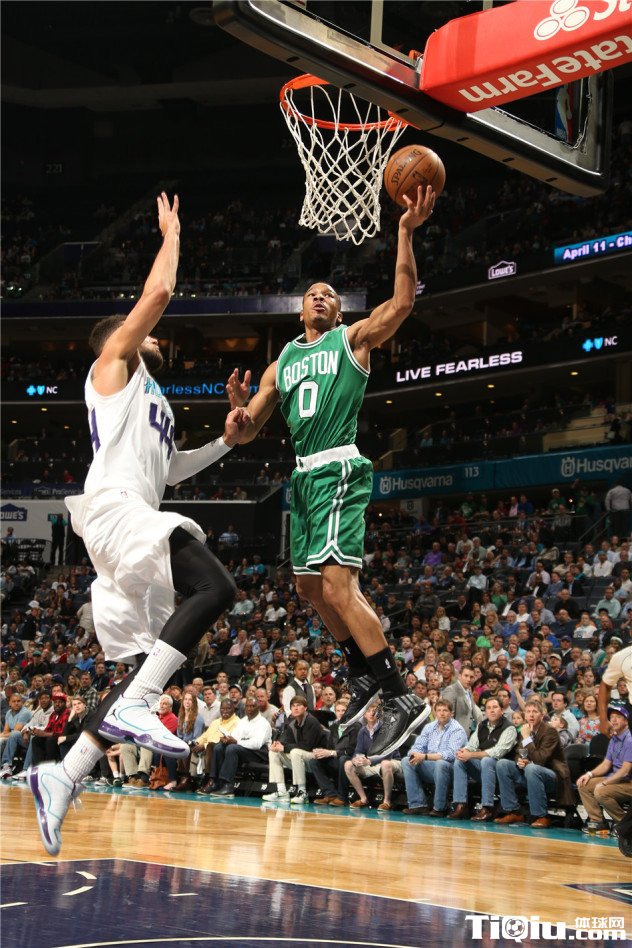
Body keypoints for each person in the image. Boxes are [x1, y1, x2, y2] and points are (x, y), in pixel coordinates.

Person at [28, 194, 245, 856]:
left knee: (149, 671)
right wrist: (171, 235)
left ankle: (64, 773)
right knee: (216, 589)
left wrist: (228, 440)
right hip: (116, 510)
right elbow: (158, 293)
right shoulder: (111, 371)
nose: (154, 336)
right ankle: (131, 710)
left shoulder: (153, 402)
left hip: (132, 515)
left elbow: (171, 470)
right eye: (142, 332)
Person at [227, 186, 435, 759]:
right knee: (308, 587)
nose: (319, 297)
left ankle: (399, 695)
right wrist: (237, 416)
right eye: (311, 294)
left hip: (339, 467)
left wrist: (404, 232)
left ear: (338, 312)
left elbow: (402, 304)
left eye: (329, 295)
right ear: (300, 311)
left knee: (340, 587)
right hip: (301, 479)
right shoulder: (281, 363)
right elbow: (246, 430)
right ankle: (360, 671)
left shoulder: (352, 339)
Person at [494, 697, 574, 828]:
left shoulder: (550, 731)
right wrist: (520, 761)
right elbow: (519, 753)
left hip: (553, 776)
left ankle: (541, 815)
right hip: (530, 773)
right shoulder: (525, 729)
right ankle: (513, 811)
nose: (531, 715)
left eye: (535, 712)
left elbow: (540, 759)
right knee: (502, 764)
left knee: (532, 768)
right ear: (525, 715)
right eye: (528, 711)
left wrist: (526, 737)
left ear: (542, 715)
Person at [449, 696, 518, 822]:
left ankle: (487, 808)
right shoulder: (482, 725)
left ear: (502, 710)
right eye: (488, 708)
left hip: (502, 772)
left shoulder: (509, 728)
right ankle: (461, 805)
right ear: (485, 711)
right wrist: (463, 751)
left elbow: (497, 752)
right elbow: (471, 745)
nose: (491, 710)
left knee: (487, 760)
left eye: (495, 707)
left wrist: (471, 755)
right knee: (460, 760)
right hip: (483, 769)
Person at [401, 698, 467, 817]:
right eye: (439, 710)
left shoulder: (457, 729)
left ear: (451, 713)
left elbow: (451, 755)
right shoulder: (429, 727)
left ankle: (440, 808)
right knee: (407, 761)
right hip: (431, 767)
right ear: (435, 712)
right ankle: (418, 805)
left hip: (452, 770)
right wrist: (415, 754)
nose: (442, 713)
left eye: (445, 710)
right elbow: (418, 746)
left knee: (441, 763)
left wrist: (425, 756)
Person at [262, 695, 328, 804]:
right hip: (300, 758)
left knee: (295, 752)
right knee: (274, 752)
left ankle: (302, 792)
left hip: (316, 758)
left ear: (305, 708)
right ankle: (281, 791)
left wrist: (284, 747)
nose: (296, 708)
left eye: (299, 705)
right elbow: (289, 743)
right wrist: (278, 745)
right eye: (293, 706)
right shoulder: (292, 723)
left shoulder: (311, 721)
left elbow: (307, 746)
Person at [577, 705, 632, 834]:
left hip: (628, 782)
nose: (614, 720)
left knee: (601, 792)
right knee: (584, 785)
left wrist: (605, 782)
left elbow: (625, 771)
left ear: (626, 721)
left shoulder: (630, 740)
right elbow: (606, 764)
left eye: (618, 717)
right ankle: (598, 821)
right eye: (612, 717)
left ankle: (625, 825)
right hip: (617, 780)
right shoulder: (614, 739)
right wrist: (589, 774)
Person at [209, 695, 272, 798]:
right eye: (247, 706)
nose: (249, 708)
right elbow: (234, 737)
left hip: (259, 754)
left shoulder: (263, 723)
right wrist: (226, 739)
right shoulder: (243, 721)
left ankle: (228, 786)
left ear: (258, 707)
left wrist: (236, 742)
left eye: (252, 706)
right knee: (219, 747)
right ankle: (215, 782)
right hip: (243, 750)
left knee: (232, 748)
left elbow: (257, 744)